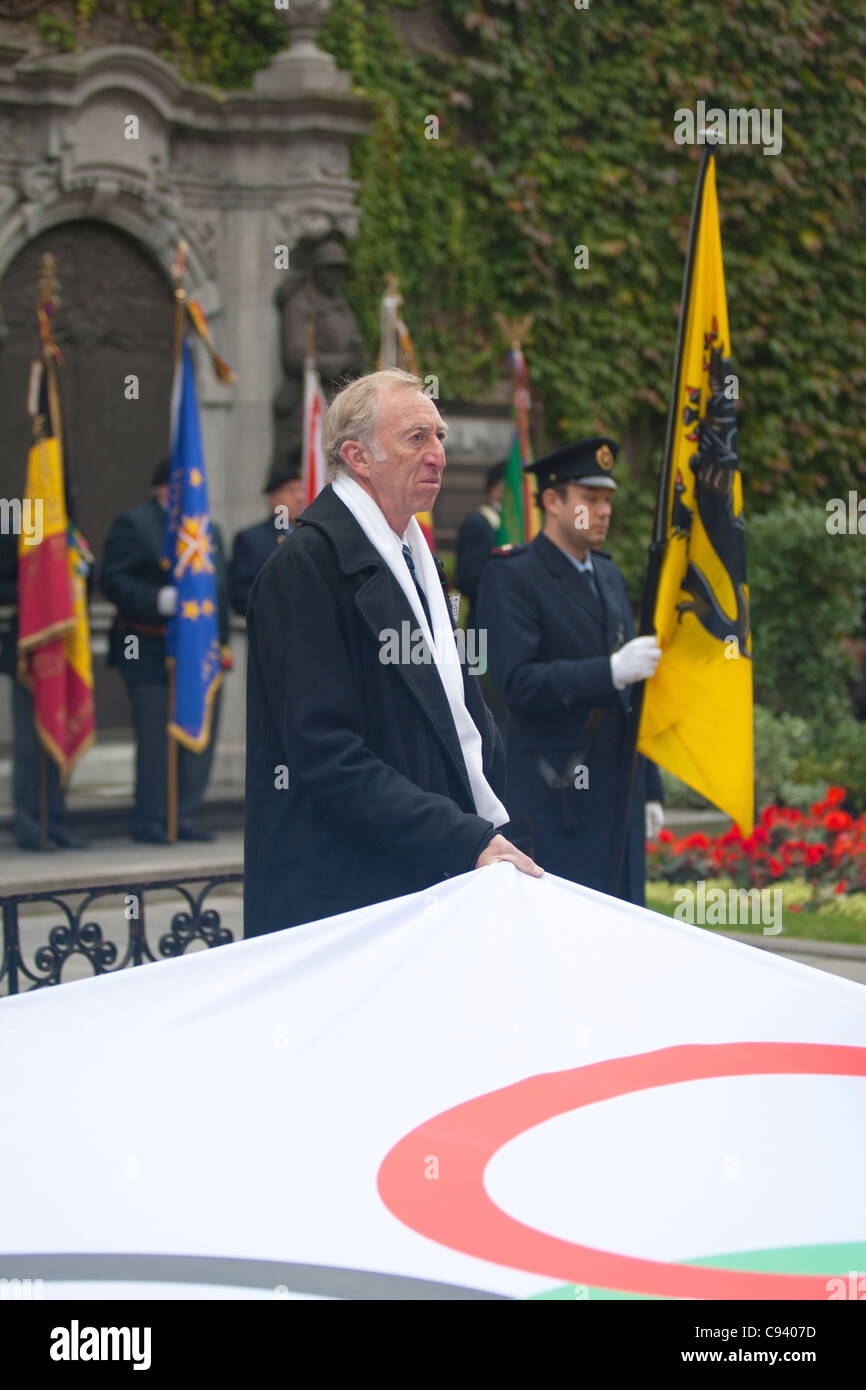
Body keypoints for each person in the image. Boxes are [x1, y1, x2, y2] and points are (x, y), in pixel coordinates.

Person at [244, 367, 541, 937]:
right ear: (357, 457)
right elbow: (328, 754)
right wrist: (464, 837)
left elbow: (449, 712)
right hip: (344, 899)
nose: (438, 456)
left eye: (440, 437)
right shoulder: (306, 568)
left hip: (419, 875)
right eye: (416, 438)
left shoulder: (413, 558)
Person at [476, 436, 665, 905]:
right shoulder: (513, 576)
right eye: (590, 499)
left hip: (619, 787)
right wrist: (609, 671)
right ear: (552, 501)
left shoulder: (608, 574)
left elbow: (632, 694)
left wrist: (650, 784)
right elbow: (517, 683)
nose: (603, 511)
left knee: (623, 936)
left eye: (608, 500)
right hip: (558, 796)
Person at [100, 459, 229, 844]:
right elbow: (113, 580)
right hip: (147, 646)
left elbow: (215, 592)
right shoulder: (134, 524)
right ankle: (153, 818)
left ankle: (184, 813)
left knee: (196, 732)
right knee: (156, 739)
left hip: (198, 649)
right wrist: (158, 599)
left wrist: (220, 644)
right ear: (162, 488)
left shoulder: (208, 529)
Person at [0, 529, 87, 851]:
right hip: (31, 654)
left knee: (62, 741)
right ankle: (30, 824)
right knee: (29, 746)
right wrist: (40, 591)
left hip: (67, 652)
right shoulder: (23, 534)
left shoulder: (72, 535)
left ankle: (57, 819)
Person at [229, 459, 304, 618]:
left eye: (302, 490)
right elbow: (241, 597)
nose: (299, 497)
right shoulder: (253, 539)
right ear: (273, 499)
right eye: (290, 490)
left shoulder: (312, 536)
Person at [456, 459, 506, 632]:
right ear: (495, 489)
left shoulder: (519, 525)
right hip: (487, 624)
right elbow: (468, 581)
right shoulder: (478, 524)